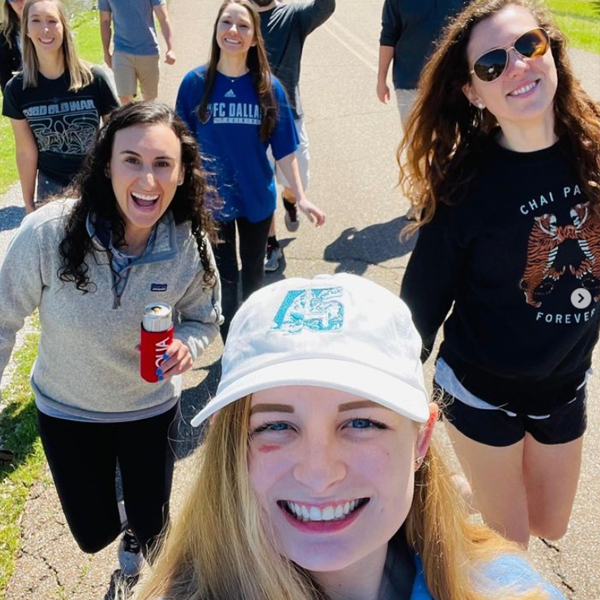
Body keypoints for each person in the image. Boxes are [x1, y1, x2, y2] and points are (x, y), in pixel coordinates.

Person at [132, 273, 566, 600]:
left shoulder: (510, 588)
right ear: (233, 451)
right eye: (276, 426)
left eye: (361, 423)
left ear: (420, 440)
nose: (319, 474)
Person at [399, 0, 600, 547]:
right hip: (478, 389)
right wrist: (392, 401)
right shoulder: (464, 188)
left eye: (528, 45)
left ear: (551, 50)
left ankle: (471, 489)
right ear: (472, 91)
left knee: (550, 525)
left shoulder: (596, 153)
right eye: (491, 64)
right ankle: (473, 491)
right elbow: (420, 306)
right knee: (512, 542)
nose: (517, 67)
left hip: (563, 382)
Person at [0, 101, 222, 578]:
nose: (148, 181)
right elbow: (2, 318)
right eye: (132, 160)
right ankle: (122, 522)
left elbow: (206, 322)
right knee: (90, 533)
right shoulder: (48, 233)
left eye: (163, 164)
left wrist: (188, 343)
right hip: (67, 409)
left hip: (149, 408)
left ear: (183, 173)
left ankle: (140, 532)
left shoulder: (190, 244)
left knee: (154, 525)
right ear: (106, 163)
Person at [176, 0, 325, 341]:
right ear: (216, 31)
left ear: (255, 38)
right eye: (226, 22)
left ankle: (254, 342)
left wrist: (300, 197)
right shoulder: (195, 84)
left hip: (257, 201)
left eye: (243, 26)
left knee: (254, 282)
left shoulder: (268, 87)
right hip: (213, 204)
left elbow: (285, 147)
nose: (234, 31)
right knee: (225, 284)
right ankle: (233, 352)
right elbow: (180, 146)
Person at [2, 0, 119, 214]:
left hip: (96, 183)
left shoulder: (94, 79)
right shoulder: (17, 89)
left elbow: (118, 136)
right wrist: (29, 205)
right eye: (36, 20)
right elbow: (26, 151)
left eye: (52, 21)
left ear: (63, 27)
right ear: (26, 28)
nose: (45, 29)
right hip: (50, 189)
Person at [251, 0, 335, 272]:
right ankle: (270, 244)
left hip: (290, 116)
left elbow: (326, 7)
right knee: (263, 186)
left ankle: (290, 201)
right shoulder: (241, 18)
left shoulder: (293, 15)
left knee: (296, 183)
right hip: (250, 119)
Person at [99, 0, 176, 105]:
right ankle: (130, 121)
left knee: (150, 101)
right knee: (125, 101)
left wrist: (170, 48)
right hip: (121, 51)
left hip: (148, 51)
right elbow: (105, 21)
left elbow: (163, 18)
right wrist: (106, 52)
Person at [0, 0, 23, 91]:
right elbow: (5, 76)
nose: (20, 1)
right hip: (22, 93)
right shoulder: (3, 34)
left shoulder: (53, 23)